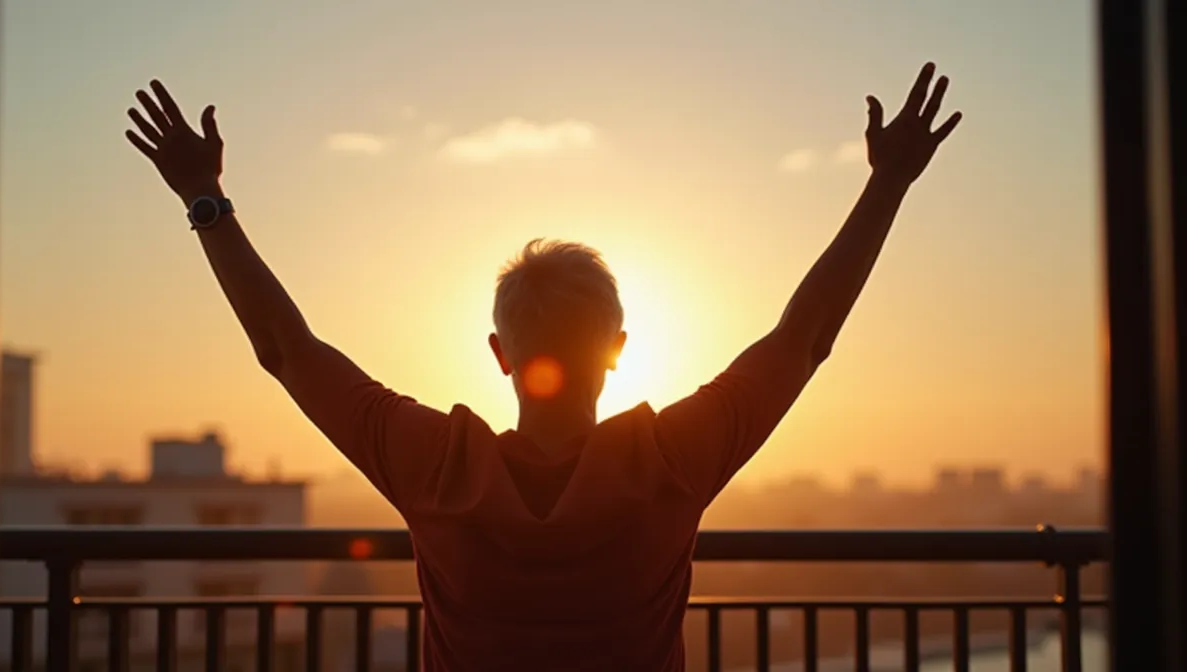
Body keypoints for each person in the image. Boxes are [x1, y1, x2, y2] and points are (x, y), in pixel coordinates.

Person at [125, 62, 961, 672]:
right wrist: (887, 184)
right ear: (618, 351)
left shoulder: (437, 466)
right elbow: (803, 337)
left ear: (500, 356)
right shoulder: (669, 463)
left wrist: (206, 200)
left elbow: (287, 349)